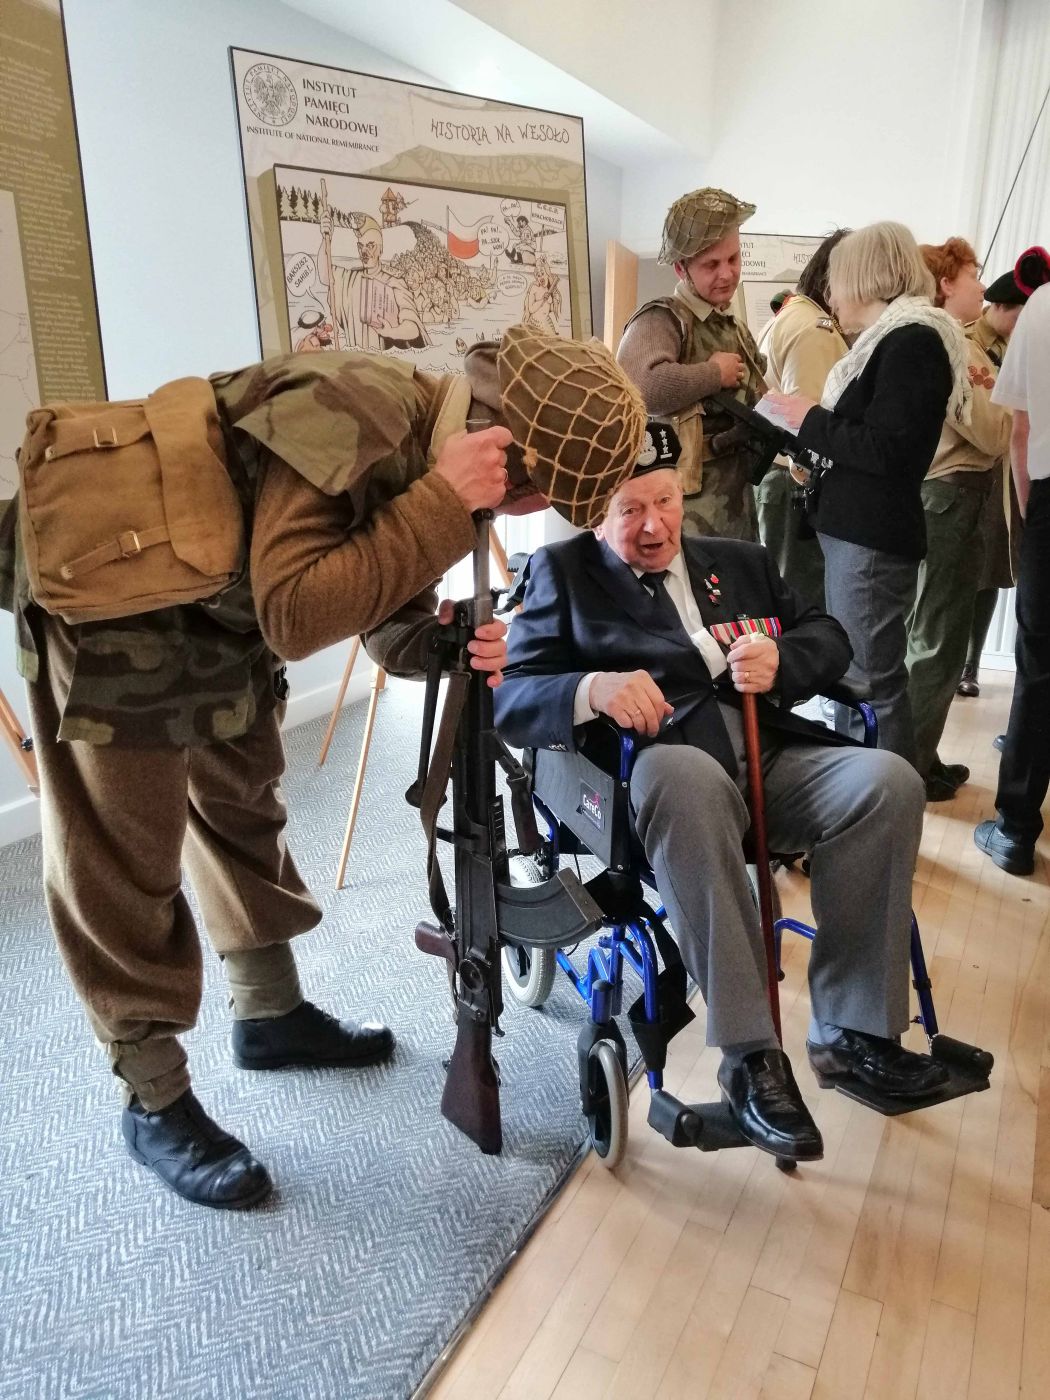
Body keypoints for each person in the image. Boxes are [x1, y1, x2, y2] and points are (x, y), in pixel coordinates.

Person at [0, 327, 647, 1208]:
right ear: (514, 455)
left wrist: (444, 641)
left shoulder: (434, 448)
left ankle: (268, 1014)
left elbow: (378, 613)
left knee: (240, 801)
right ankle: (152, 1099)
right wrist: (440, 504)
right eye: (538, 493)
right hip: (112, 589)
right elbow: (298, 614)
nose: (527, 509)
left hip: (213, 603)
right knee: (124, 851)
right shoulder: (363, 409)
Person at [493, 455, 947, 1165]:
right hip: (654, 775)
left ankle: (852, 1035)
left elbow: (830, 636)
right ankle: (750, 1058)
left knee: (887, 781)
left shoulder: (740, 562)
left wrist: (782, 657)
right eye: (631, 511)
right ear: (594, 517)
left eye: (666, 502)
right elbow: (511, 695)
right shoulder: (562, 573)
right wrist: (590, 688)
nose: (654, 526)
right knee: (684, 775)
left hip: (768, 759)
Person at [763, 222, 970, 765]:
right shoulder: (894, 339)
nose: (830, 295)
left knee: (870, 682)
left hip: (871, 539)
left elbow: (891, 451)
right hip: (858, 535)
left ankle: (887, 804)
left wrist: (810, 419)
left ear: (865, 277)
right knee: (857, 676)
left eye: (836, 280)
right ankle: (859, 793)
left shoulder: (913, 341)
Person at [903, 238, 1011, 800]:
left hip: (950, 499)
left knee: (935, 636)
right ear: (946, 283)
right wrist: (1013, 402)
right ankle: (911, 769)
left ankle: (920, 753)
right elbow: (992, 432)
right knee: (936, 640)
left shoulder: (944, 339)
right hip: (949, 498)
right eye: (974, 275)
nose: (981, 286)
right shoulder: (952, 346)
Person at [617, 187, 768, 542]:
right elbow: (641, 387)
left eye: (733, 259)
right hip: (684, 511)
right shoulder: (663, 320)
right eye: (711, 265)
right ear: (681, 268)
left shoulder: (731, 325)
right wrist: (713, 374)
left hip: (735, 501)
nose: (727, 273)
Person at [974, 249, 1050, 876]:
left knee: (1040, 668)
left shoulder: (1042, 308)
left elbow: (1021, 432)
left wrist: (1031, 518)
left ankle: (1016, 830)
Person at [753, 230, 849, 610]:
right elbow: (806, 424)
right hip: (794, 483)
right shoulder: (815, 328)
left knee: (786, 594)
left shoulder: (793, 316)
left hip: (779, 481)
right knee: (801, 603)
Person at [957, 264, 1031, 699]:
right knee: (962, 572)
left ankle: (971, 665)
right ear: (1001, 307)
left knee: (992, 569)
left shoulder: (1020, 346)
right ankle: (951, 663)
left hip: (1008, 475)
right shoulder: (965, 341)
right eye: (1021, 314)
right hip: (973, 472)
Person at [316, 211, 429, 352]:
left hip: (382, 361)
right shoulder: (350, 278)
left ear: (381, 249)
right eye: (361, 246)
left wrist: (391, 332)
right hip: (354, 359)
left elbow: (413, 328)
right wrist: (326, 238)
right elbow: (325, 275)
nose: (364, 252)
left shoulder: (394, 283)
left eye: (370, 246)